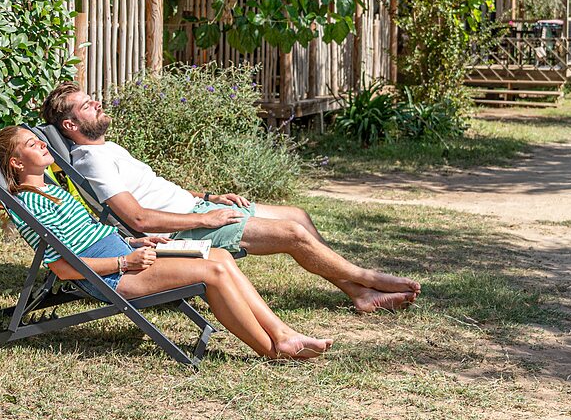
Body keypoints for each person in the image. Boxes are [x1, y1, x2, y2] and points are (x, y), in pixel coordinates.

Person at [42, 82, 420, 313]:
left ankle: (358, 292)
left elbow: (156, 190)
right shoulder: (91, 160)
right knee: (293, 233)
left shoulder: (108, 149)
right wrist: (205, 219)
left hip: (196, 208)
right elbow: (137, 220)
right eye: (88, 105)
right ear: (72, 125)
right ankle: (366, 280)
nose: (98, 104)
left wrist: (208, 197)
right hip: (182, 231)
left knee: (299, 215)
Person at [0, 126, 334, 361]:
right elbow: (63, 268)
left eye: (39, 139)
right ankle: (272, 350)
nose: (42, 144)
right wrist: (125, 263)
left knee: (219, 257)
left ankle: (282, 333)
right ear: (17, 163)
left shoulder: (51, 189)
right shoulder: (26, 205)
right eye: (31, 144)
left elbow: (85, 236)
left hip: (124, 252)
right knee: (213, 270)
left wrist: (133, 239)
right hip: (110, 277)